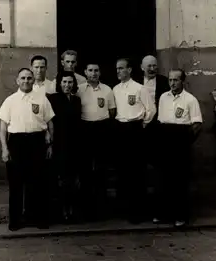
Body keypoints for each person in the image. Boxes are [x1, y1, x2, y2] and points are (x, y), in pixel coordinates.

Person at [0, 68, 54, 231]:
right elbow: (3, 128)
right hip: (16, 143)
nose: (26, 81)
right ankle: (15, 221)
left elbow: (50, 122)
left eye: (29, 78)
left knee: (38, 182)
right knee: (16, 184)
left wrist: (50, 144)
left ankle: (37, 219)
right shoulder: (10, 100)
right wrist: (4, 149)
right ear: (17, 80)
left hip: (37, 142)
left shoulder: (42, 99)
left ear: (33, 80)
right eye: (23, 78)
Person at [155, 69, 202, 227]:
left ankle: (180, 216)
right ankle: (164, 214)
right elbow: (161, 121)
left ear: (183, 81)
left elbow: (197, 125)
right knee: (164, 178)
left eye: (176, 80)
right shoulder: (163, 97)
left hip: (181, 139)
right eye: (170, 80)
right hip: (165, 138)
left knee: (180, 180)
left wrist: (185, 142)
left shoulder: (190, 100)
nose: (172, 83)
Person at [113, 58, 156, 223]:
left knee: (137, 171)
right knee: (123, 170)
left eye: (122, 68)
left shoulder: (140, 88)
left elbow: (151, 109)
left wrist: (142, 124)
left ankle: (138, 211)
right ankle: (125, 210)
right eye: (117, 68)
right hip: (120, 129)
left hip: (135, 130)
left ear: (130, 70)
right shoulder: (115, 89)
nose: (118, 71)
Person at [77, 63, 116, 220]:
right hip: (85, 129)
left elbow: (112, 111)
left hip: (102, 129)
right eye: (90, 70)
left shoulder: (107, 89)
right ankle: (86, 208)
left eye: (96, 70)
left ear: (100, 73)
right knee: (85, 169)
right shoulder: (79, 89)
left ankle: (102, 208)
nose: (93, 73)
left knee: (101, 168)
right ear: (85, 72)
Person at [46, 71, 82, 222]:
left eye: (70, 82)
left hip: (73, 143)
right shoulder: (52, 99)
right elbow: (49, 121)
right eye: (64, 82)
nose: (67, 85)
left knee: (72, 178)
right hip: (59, 143)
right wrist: (50, 143)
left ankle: (71, 210)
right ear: (59, 84)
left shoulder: (76, 100)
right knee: (60, 178)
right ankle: (61, 211)